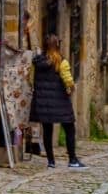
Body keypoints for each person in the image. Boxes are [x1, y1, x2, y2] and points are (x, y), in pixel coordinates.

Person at [30, 35, 83, 169]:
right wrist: (71, 89)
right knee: (69, 128)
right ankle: (72, 159)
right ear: (57, 46)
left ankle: (51, 161)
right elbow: (68, 80)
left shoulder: (38, 62)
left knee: (47, 130)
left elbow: (31, 80)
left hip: (43, 102)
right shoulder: (61, 62)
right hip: (60, 102)